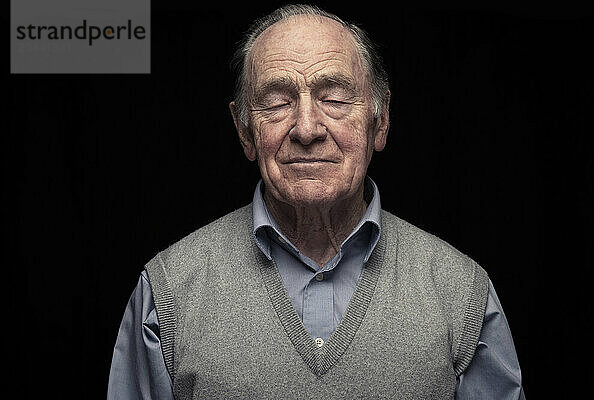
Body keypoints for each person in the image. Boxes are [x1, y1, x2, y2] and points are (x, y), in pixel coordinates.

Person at [108, 4, 525, 399]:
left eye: (334, 98)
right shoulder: (166, 295)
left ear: (380, 124)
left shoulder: (462, 291)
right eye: (277, 101)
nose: (306, 128)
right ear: (244, 131)